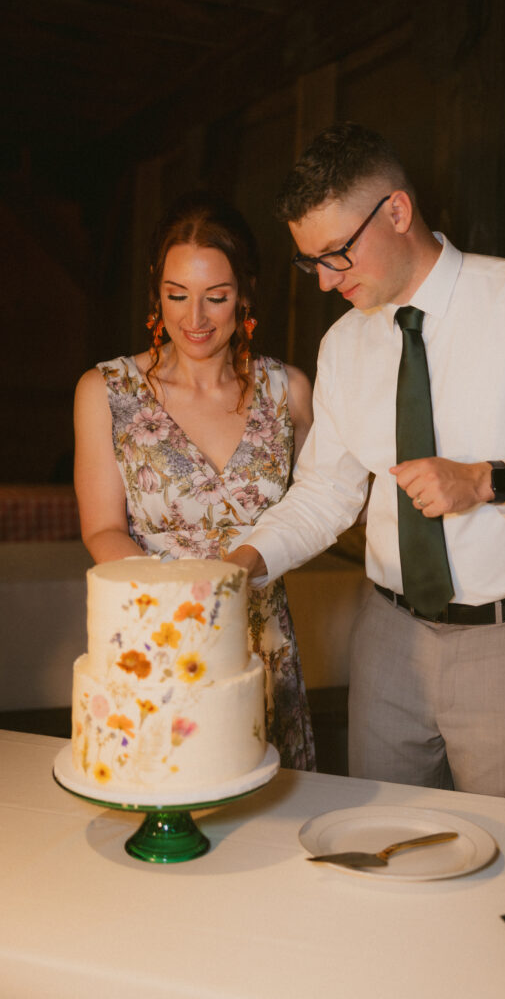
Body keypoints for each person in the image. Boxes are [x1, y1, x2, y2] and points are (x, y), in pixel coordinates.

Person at [228, 122, 505, 801]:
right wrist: (242, 564)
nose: (328, 282)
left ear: (396, 211)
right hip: (387, 637)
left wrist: (489, 479)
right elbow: (324, 494)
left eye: (336, 254)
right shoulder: (341, 347)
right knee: (379, 845)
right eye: (312, 264)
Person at [73, 191, 316, 770]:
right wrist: (183, 608)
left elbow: (319, 508)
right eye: (177, 295)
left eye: (217, 297)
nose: (195, 319)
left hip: (261, 647)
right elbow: (102, 528)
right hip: (156, 638)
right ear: (157, 293)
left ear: (246, 295)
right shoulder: (107, 392)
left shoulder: (290, 392)